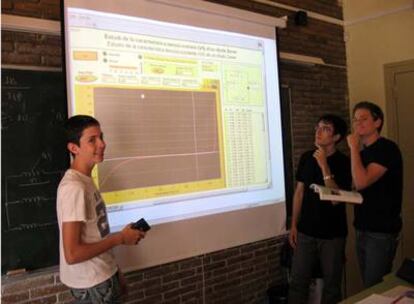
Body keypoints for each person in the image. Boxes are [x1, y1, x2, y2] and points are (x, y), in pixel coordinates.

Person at [57, 115, 146, 303]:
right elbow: (72, 254)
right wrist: (121, 238)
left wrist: (114, 271)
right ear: (74, 148)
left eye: (101, 137)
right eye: (92, 140)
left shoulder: (85, 180)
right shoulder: (74, 187)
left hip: (103, 276)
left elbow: (95, 235)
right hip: (93, 285)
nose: (102, 144)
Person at [288, 114, 351, 304]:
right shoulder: (307, 157)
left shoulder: (344, 162)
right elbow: (299, 192)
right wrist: (293, 225)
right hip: (306, 231)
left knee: (332, 286)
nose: (318, 132)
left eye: (325, 129)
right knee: (298, 282)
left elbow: (336, 200)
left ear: (336, 137)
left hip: (332, 235)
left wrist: (324, 165)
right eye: (318, 127)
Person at [347, 101, 403, 288]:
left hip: (381, 230)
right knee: (368, 287)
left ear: (377, 122)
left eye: (363, 119)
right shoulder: (362, 153)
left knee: (374, 287)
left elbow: (362, 181)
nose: (358, 124)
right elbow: (355, 185)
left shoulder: (386, 148)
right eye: (355, 120)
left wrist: (354, 148)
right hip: (362, 226)